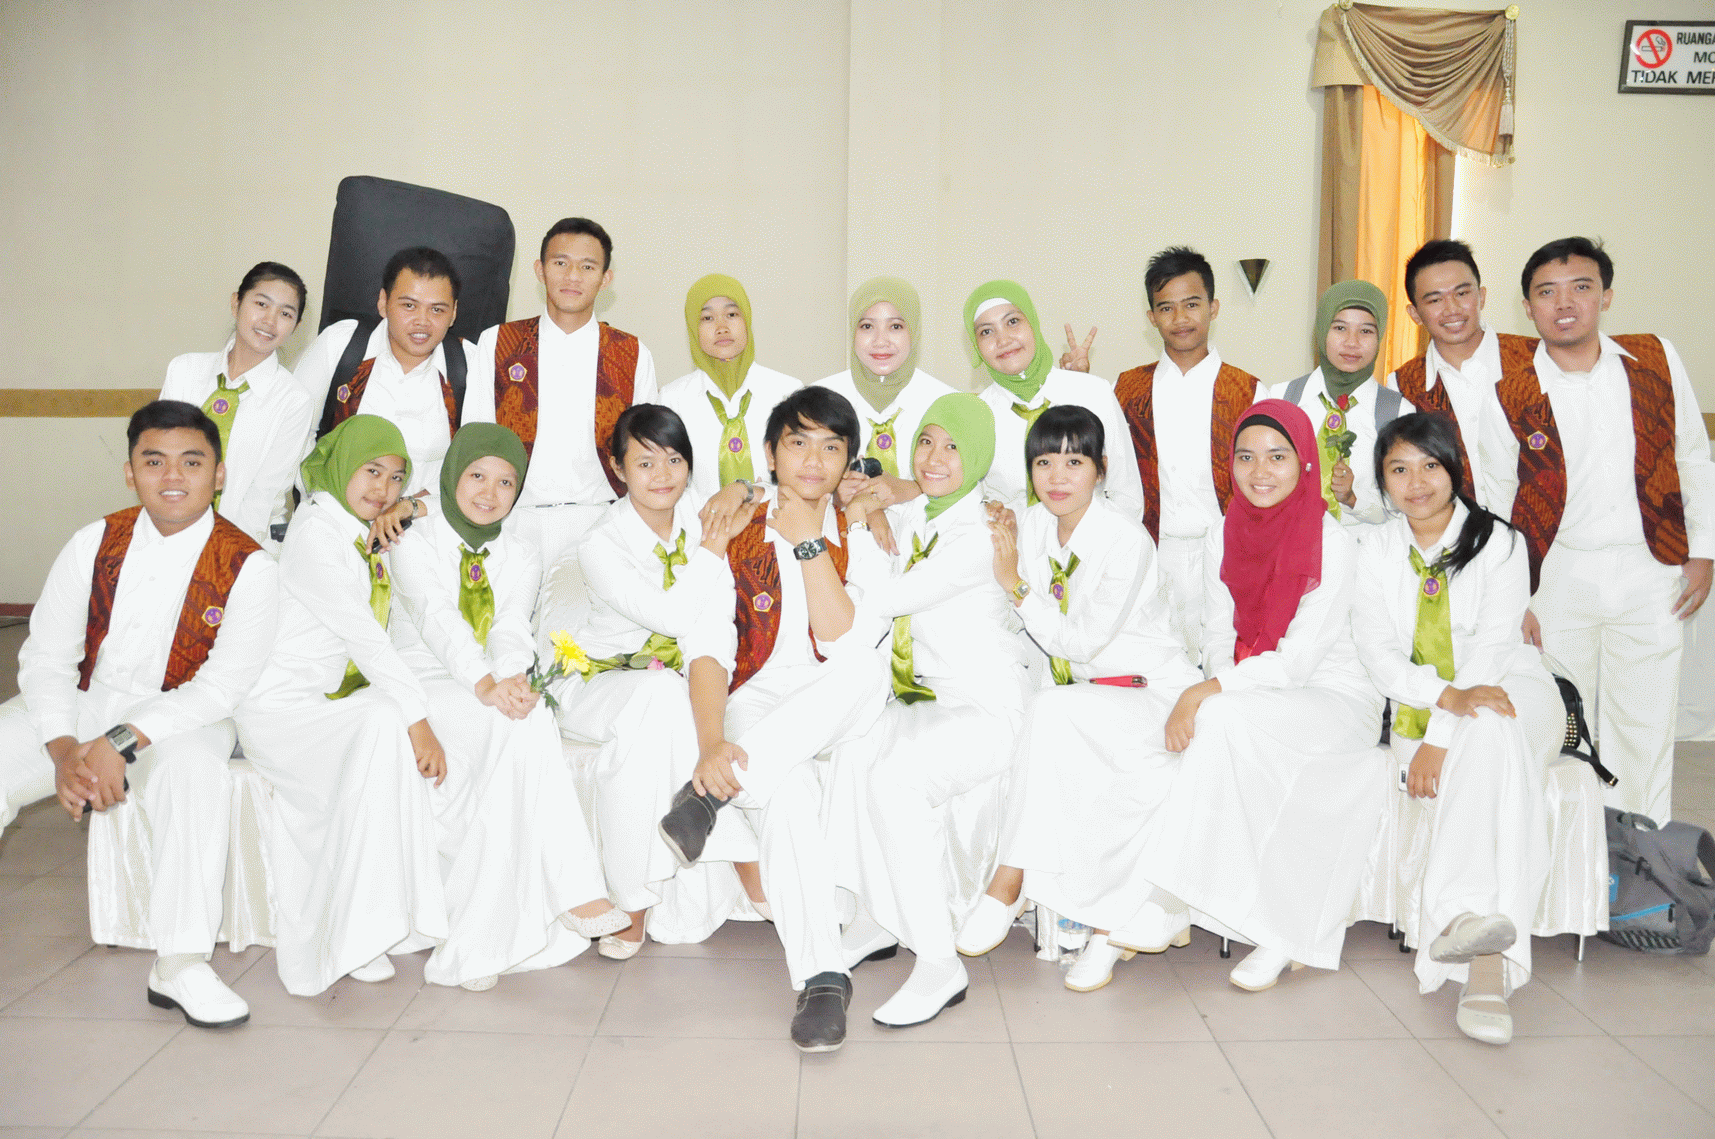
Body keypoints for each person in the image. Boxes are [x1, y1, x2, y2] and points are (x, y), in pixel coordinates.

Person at [0, 400, 277, 1027]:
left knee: (194, 776)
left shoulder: (249, 565)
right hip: (85, 701)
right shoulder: (95, 541)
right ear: (130, 472)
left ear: (219, 473)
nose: (172, 476)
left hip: (182, 717)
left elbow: (222, 687)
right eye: (154, 461)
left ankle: (180, 963)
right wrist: (63, 751)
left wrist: (118, 742)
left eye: (191, 462)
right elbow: (46, 658)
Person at [655, 386, 889, 1054]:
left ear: (848, 460)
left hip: (838, 694)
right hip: (760, 698)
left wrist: (811, 544)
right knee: (787, 788)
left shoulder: (863, 531)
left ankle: (705, 801)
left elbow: (843, 642)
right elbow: (707, 647)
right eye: (797, 442)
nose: (813, 460)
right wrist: (712, 746)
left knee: (864, 667)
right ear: (769, 452)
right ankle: (822, 978)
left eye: (831, 447)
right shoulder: (736, 529)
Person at [953, 405, 1206, 992]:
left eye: (1074, 462)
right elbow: (971, 512)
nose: (1058, 477)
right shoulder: (1033, 525)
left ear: (1101, 468)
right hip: (1085, 700)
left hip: (1150, 694)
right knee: (1044, 718)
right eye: (1044, 463)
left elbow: (1080, 640)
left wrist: (1016, 584)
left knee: (1051, 713)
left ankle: (1011, 881)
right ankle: (1093, 925)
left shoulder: (1125, 540)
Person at [1142, 399, 1386, 992]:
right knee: (1223, 719)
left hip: (1336, 697)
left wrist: (1209, 691)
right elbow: (1218, 633)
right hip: (1259, 688)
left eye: (1278, 457)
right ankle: (1251, 917)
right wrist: (1220, 685)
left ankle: (1177, 901)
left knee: (1221, 717)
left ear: (1305, 463)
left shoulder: (1332, 540)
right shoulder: (1223, 531)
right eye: (1246, 457)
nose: (1260, 472)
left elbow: (1300, 660)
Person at [389, 423, 629, 990]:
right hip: (421, 683)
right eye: (477, 475)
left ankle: (484, 934)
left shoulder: (519, 551)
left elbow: (512, 625)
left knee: (529, 717)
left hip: (484, 681)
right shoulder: (412, 541)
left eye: (505, 482)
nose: (489, 492)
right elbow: (435, 620)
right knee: (511, 725)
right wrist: (484, 684)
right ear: (453, 474)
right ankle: (576, 890)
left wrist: (514, 679)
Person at [1354, 412, 1560, 1045]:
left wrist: (1440, 740)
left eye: (1429, 466)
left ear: (1454, 469)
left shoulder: (1500, 543)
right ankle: (1486, 963)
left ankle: (1469, 937)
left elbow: (1493, 652)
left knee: (1489, 722)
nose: (1416, 483)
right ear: (1382, 482)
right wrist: (1446, 703)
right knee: (1484, 731)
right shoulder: (1377, 549)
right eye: (1398, 469)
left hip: (1515, 688)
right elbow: (1377, 653)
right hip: (1424, 702)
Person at [1493, 237, 1714, 822]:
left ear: (1606, 296)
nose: (1564, 303)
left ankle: (1640, 849)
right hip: (1556, 575)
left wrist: (1704, 551)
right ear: (1528, 307)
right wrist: (1510, 591)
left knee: (1644, 721)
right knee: (1563, 722)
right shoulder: (1511, 386)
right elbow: (1496, 492)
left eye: (1581, 287)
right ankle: (1570, 855)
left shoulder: (1654, 357)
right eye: (1547, 292)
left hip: (1652, 569)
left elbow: (1692, 454)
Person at [827, 392, 1028, 1027]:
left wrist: (859, 516)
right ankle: (874, 916)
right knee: (853, 745)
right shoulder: (925, 511)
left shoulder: (981, 533)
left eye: (953, 447)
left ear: (980, 457)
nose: (935, 458)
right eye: (926, 442)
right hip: (924, 697)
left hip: (986, 707)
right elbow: (889, 514)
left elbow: (885, 597)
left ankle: (940, 964)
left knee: (896, 781)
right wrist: (871, 505)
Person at [236, 415, 447, 996]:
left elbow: (444, 501)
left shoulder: (349, 525)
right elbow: (364, 636)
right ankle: (360, 931)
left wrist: (413, 505)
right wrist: (420, 721)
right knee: (388, 722)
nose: (383, 488)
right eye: (371, 471)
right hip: (283, 710)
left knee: (383, 721)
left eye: (396, 476)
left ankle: (380, 920)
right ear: (341, 465)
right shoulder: (315, 534)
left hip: (327, 700)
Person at [560, 404, 730, 958]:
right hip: (596, 683)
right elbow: (673, 618)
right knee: (659, 697)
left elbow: (714, 623)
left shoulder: (700, 517)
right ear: (618, 468)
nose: (662, 476)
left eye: (675, 460)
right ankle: (649, 897)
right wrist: (711, 551)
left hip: (664, 688)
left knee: (663, 701)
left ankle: (635, 897)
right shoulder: (600, 543)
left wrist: (741, 490)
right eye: (645, 462)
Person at [466, 218, 659, 574]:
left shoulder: (630, 354)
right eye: (560, 263)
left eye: (587, 267)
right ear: (540, 270)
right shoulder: (499, 343)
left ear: (606, 278)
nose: (573, 276)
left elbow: (648, 454)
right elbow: (473, 441)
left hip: (601, 523)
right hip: (512, 521)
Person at [1111, 247, 1263, 659]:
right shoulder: (1125, 390)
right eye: (1167, 308)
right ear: (1151, 317)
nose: (1180, 318)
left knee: (1223, 664)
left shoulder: (1249, 391)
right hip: (1151, 553)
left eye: (1192, 304)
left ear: (1213, 308)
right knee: (1155, 666)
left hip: (1225, 552)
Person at [292, 245, 481, 530]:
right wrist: (328, 503)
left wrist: (415, 506)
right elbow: (294, 434)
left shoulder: (469, 365)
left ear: (453, 313)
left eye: (437, 310)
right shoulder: (343, 345)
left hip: (427, 528)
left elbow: (479, 466)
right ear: (383, 302)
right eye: (409, 305)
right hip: (335, 524)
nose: (422, 321)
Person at [160, 262, 316, 549]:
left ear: (296, 326)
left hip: (241, 545)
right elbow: (159, 460)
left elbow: (263, 497)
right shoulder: (184, 371)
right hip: (168, 533)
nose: (270, 321)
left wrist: (223, 556)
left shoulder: (294, 401)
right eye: (261, 304)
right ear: (236, 303)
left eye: (285, 313)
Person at [962, 281, 1143, 518]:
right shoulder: (976, 415)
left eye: (1013, 321)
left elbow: (1126, 493)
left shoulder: (1092, 393)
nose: (1003, 339)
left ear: (1033, 323)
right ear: (976, 347)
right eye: (986, 331)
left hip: (1094, 538)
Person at [1387, 240, 1523, 511]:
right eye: (1435, 300)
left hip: (1545, 534)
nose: (1452, 309)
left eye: (1462, 293)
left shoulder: (1533, 361)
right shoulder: (1403, 386)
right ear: (1415, 313)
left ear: (1481, 296)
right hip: (1456, 534)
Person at [813, 277, 957, 533]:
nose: (880, 341)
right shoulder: (818, 400)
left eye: (896, 326)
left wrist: (913, 488)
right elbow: (789, 485)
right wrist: (832, 493)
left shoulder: (947, 403)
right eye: (867, 326)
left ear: (914, 330)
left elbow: (968, 491)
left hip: (927, 544)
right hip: (838, 544)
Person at [1270, 280, 1413, 527]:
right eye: (1340, 328)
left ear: (1380, 337)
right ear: (1322, 330)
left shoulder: (1400, 413)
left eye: (1366, 331)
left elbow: (1405, 503)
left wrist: (1353, 499)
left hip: (1365, 546)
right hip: (1289, 542)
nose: (1352, 342)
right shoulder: (1281, 399)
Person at [658, 274, 804, 504]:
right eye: (707, 318)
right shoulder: (672, 399)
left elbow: (804, 476)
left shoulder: (789, 392)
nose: (722, 327)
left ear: (747, 320)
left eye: (732, 314)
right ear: (693, 328)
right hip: (701, 523)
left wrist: (758, 492)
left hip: (778, 520)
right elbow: (667, 481)